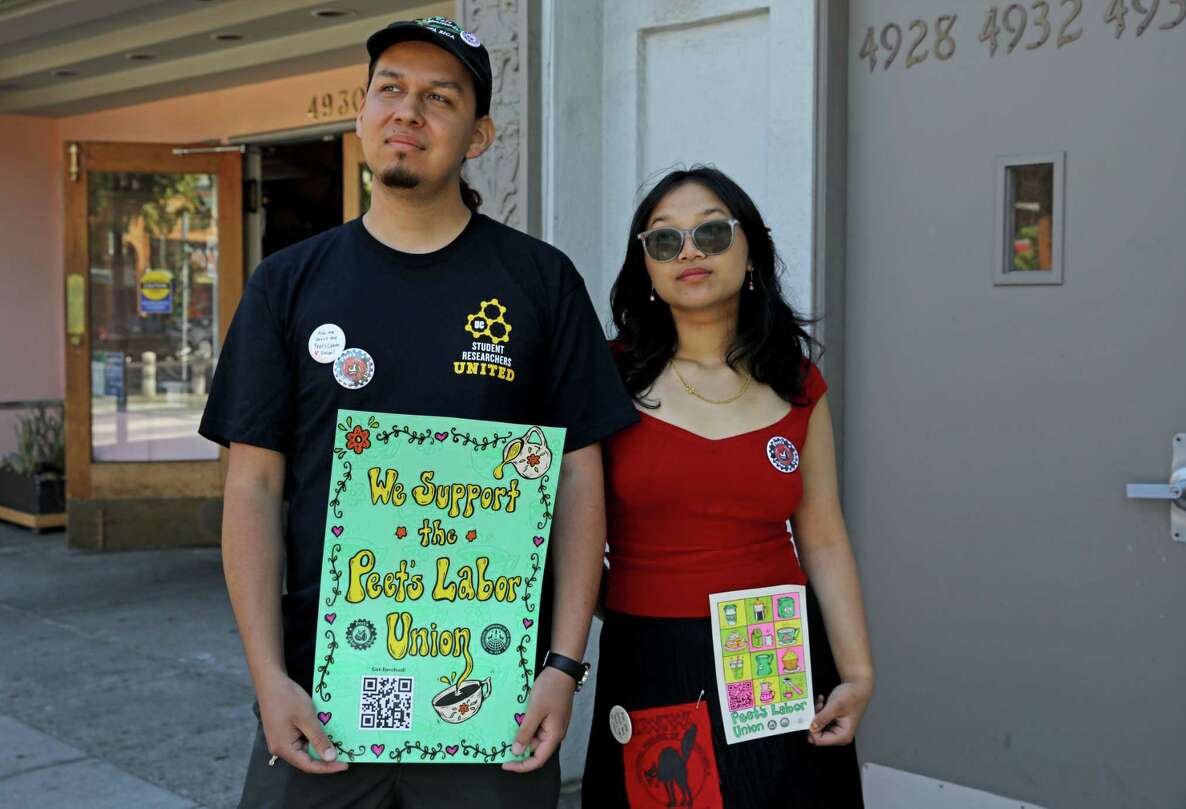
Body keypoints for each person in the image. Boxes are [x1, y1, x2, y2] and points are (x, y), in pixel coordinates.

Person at [199, 16, 637, 809]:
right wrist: (267, 679)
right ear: (362, 112)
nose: (409, 112)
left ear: (478, 135)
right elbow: (252, 490)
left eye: (440, 97)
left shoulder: (539, 282)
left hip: (491, 703)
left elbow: (578, 480)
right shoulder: (287, 285)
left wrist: (564, 666)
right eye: (390, 90)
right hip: (318, 701)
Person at [582, 167, 873, 808]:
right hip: (652, 654)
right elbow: (560, 527)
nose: (689, 250)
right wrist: (615, 602)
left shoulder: (796, 381)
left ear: (750, 254)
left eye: (712, 231)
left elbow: (822, 534)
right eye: (664, 240)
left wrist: (857, 673)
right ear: (647, 271)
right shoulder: (604, 377)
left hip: (774, 647)